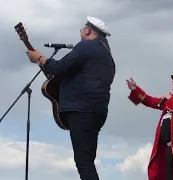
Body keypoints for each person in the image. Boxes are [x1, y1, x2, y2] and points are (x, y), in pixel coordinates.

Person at [26, 16, 115, 180]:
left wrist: (39, 58)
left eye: (83, 28)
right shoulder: (107, 57)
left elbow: (61, 68)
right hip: (96, 112)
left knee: (83, 163)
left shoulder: (87, 46)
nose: (81, 31)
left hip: (82, 111)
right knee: (87, 160)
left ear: (88, 30)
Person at [126, 68, 173, 180]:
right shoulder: (171, 99)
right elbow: (152, 102)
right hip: (168, 146)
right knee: (167, 176)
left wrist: (171, 98)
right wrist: (135, 90)